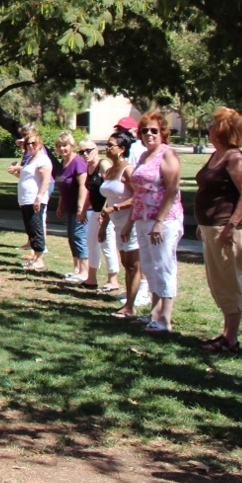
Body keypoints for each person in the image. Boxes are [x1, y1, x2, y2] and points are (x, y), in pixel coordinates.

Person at [195, 107, 242, 353]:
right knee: (218, 281)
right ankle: (226, 334)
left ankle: (231, 339)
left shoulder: (234, 157)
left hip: (227, 228)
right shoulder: (217, 154)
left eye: (212, 125)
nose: (208, 129)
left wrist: (232, 224)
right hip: (211, 227)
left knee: (228, 281)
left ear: (221, 130)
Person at [122, 110, 184, 333]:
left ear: (163, 132)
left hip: (163, 220)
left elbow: (172, 189)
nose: (149, 134)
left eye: (154, 130)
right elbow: (138, 193)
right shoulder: (143, 156)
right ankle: (154, 312)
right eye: (144, 130)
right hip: (142, 218)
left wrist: (159, 221)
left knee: (163, 265)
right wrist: (130, 222)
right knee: (149, 266)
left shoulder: (168, 154)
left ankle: (165, 318)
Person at [102, 132, 145, 318]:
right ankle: (129, 299)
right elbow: (109, 198)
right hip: (117, 223)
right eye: (107, 144)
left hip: (131, 222)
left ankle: (130, 306)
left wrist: (117, 209)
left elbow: (138, 197)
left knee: (133, 265)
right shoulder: (111, 169)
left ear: (122, 149)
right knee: (126, 263)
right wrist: (104, 222)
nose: (107, 147)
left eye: (111, 145)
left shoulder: (128, 170)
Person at [79, 138, 119, 292]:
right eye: (82, 152)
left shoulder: (104, 165)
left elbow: (111, 190)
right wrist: (83, 210)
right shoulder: (89, 167)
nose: (85, 154)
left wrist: (105, 211)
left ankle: (113, 279)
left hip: (106, 214)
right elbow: (91, 192)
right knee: (92, 243)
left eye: (88, 150)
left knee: (107, 244)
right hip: (94, 212)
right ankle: (91, 278)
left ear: (96, 150)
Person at [53, 131, 90, 284]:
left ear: (72, 145)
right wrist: (60, 204)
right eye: (59, 146)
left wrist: (81, 207)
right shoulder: (62, 163)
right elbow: (64, 187)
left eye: (65, 145)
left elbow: (83, 185)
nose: (62, 149)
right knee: (71, 237)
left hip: (80, 207)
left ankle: (84, 271)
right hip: (68, 206)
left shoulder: (78, 162)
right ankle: (76, 269)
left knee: (79, 237)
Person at [15, 132, 52, 271]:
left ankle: (39, 259)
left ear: (40, 144)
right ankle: (35, 258)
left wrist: (39, 198)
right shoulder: (30, 159)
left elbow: (46, 180)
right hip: (25, 200)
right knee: (30, 229)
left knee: (36, 228)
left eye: (33, 143)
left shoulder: (42, 160)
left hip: (34, 200)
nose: (30, 146)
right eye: (28, 143)